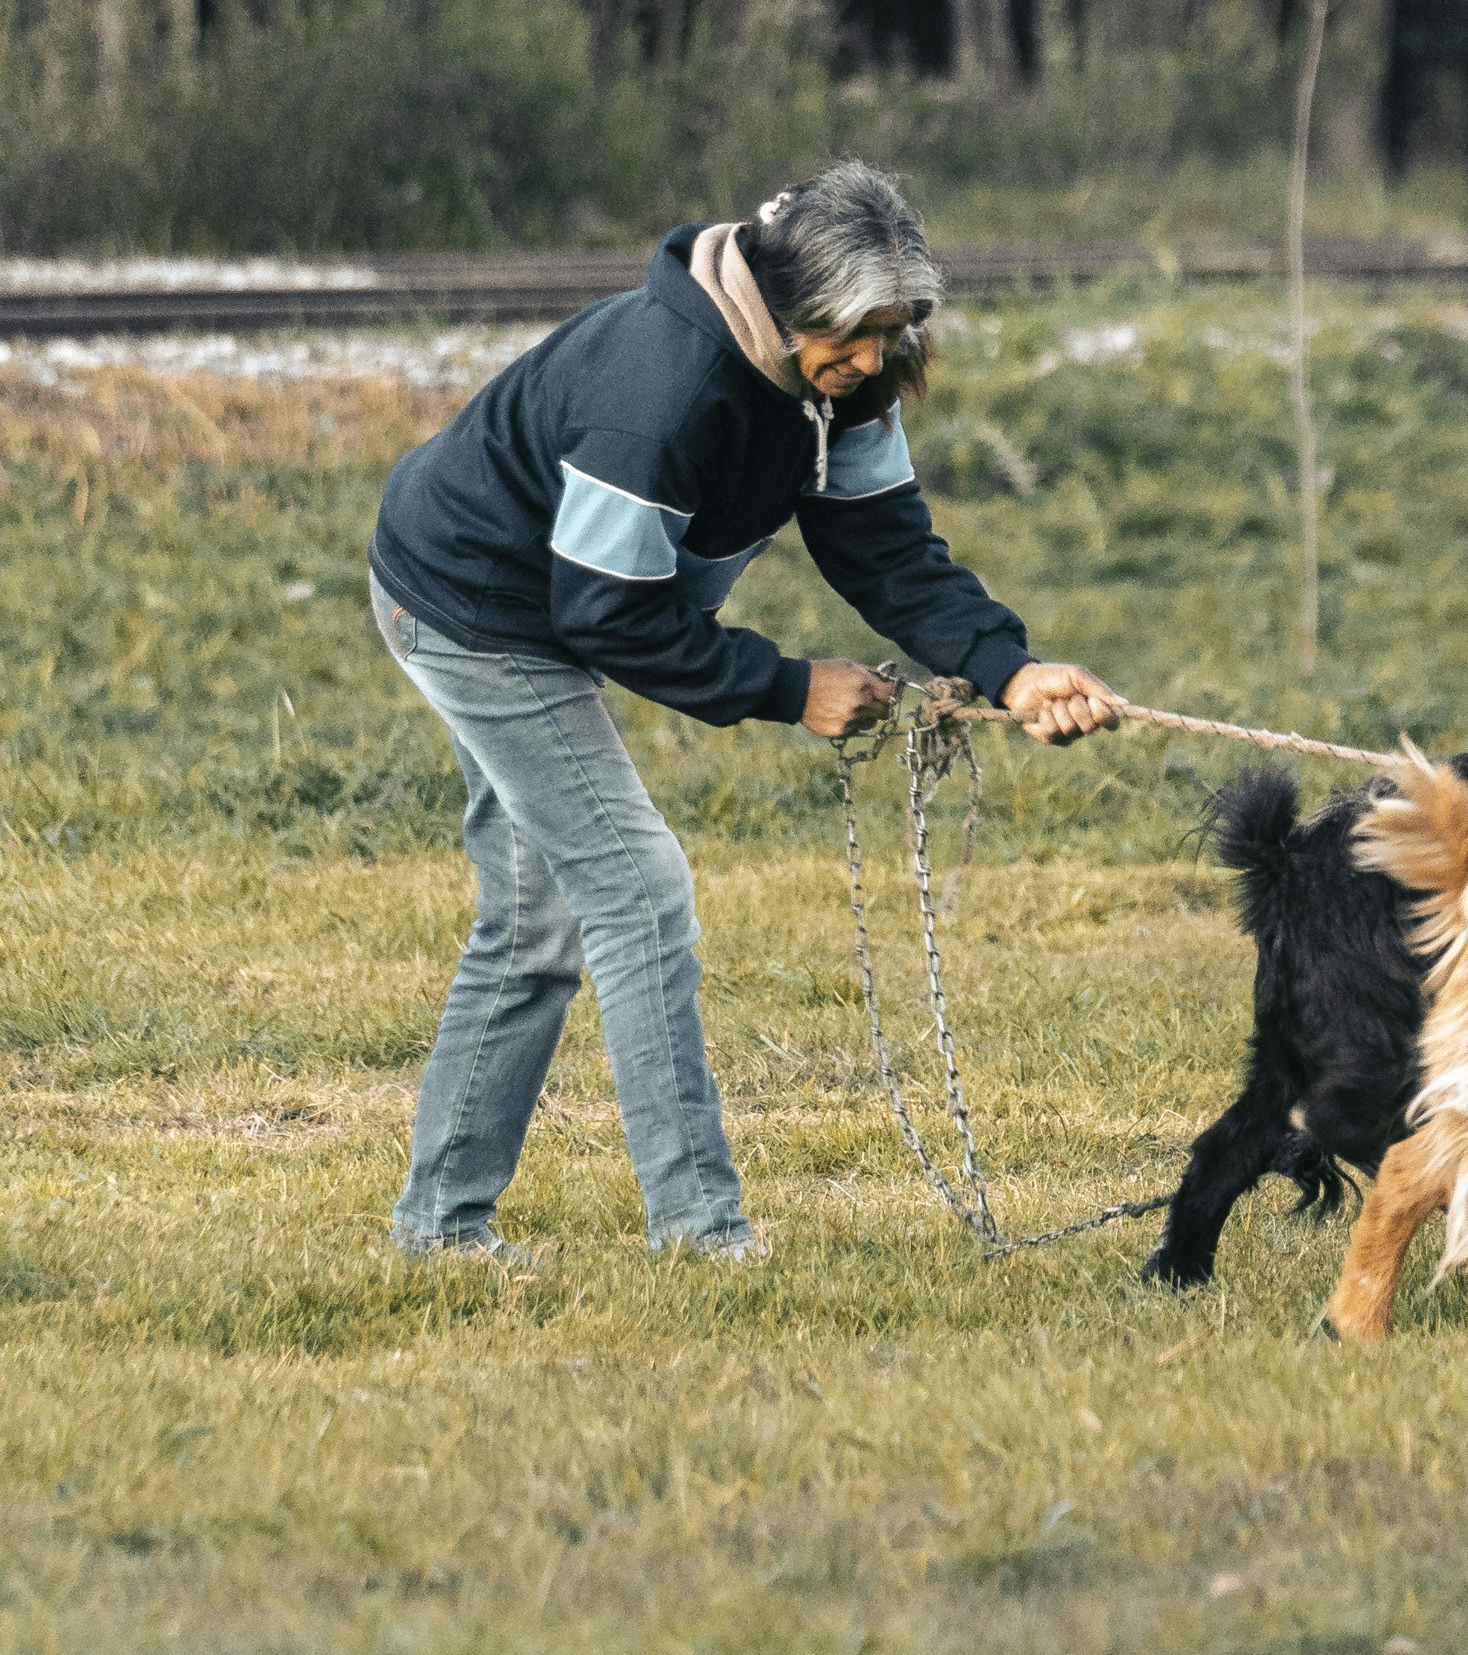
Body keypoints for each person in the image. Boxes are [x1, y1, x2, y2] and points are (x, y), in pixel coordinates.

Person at [365, 162, 1120, 1259]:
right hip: (476, 609)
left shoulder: (845, 374)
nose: (870, 361)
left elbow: (887, 551)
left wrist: (1010, 669)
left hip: (552, 603)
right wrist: (785, 687)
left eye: (892, 333)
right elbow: (605, 614)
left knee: (536, 921)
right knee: (637, 890)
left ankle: (436, 1231)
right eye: (852, 335)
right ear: (782, 298)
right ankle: (701, 1231)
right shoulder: (664, 390)